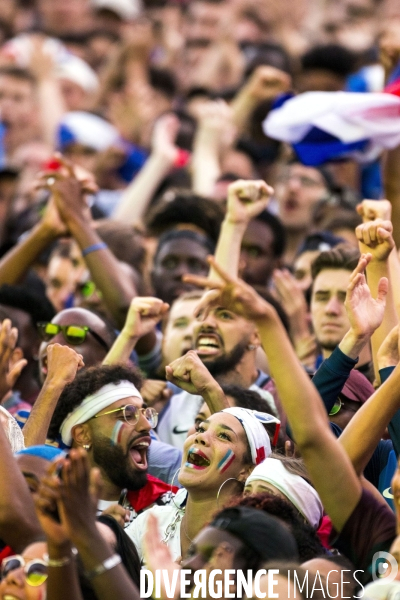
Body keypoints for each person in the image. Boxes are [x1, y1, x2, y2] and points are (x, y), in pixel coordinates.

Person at [127, 402, 276, 562]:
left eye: (224, 436)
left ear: (247, 471)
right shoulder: (151, 523)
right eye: (201, 429)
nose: (201, 437)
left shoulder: (245, 550)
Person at [48, 364, 175, 522]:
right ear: (83, 434)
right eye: (128, 414)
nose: (147, 426)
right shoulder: (51, 506)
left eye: (145, 414)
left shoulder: (169, 504)